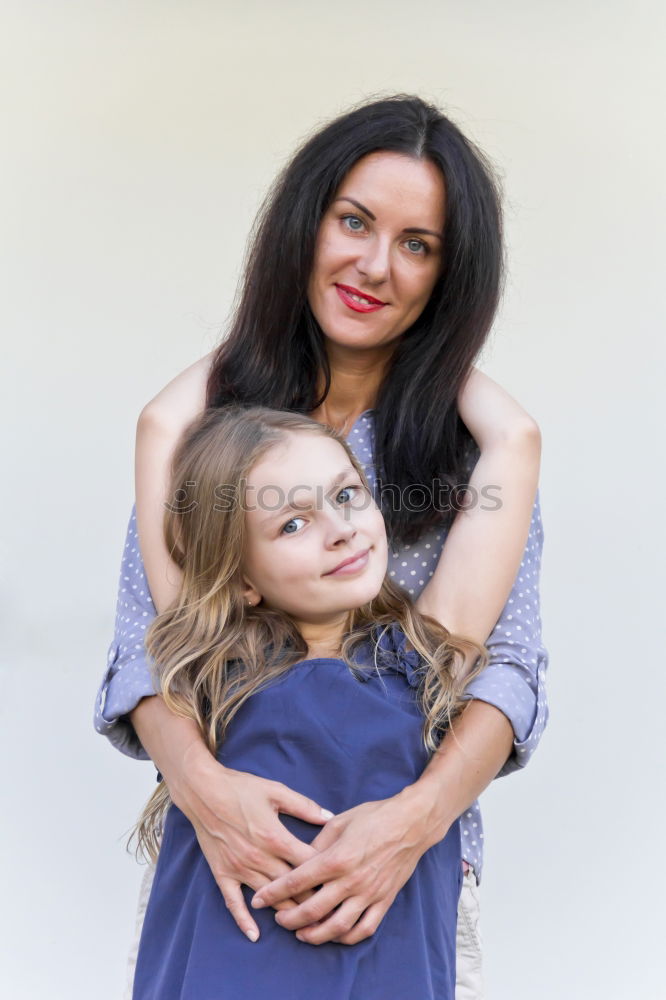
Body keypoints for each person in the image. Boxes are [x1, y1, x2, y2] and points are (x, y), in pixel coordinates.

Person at [94, 94, 548, 998]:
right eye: (354, 221)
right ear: (306, 223)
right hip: (229, 878)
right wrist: (207, 795)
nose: (376, 265)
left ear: (447, 275)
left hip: (404, 882)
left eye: (419, 244)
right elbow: (150, 651)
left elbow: (506, 674)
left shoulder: (470, 461)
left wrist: (411, 826)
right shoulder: (211, 442)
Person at [130, 399, 539, 999]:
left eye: (347, 495)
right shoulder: (209, 666)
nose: (340, 528)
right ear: (240, 577)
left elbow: (516, 437)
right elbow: (158, 426)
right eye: (291, 523)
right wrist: (285, 313)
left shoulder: (419, 662)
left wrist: (430, 333)